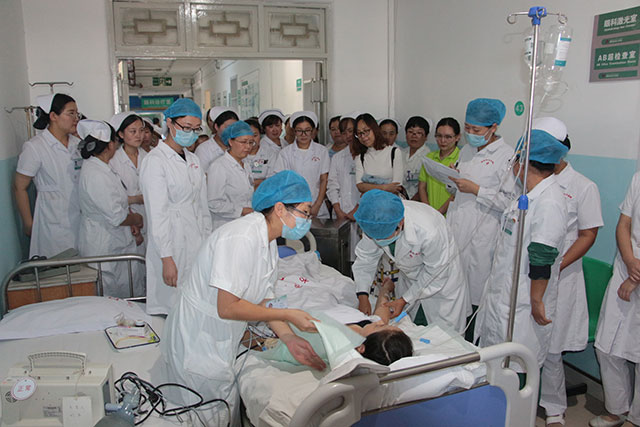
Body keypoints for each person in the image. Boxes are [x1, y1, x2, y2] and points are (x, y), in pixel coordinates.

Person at [162, 170, 326, 426]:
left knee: (221, 411)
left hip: (222, 338)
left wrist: (289, 337)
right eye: (305, 212)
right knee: (201, 416)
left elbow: (266, 300)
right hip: (199, 340)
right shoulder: (240, 238)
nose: (308, 219)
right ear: (280, 209)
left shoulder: (268, 241)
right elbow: (227, 307)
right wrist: (287, 314)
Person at [474, 130, 569, 374]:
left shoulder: (549, 201)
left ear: (522, 163)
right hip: (505, 295)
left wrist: (536, 300)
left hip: (524, 301)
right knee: (497, 363)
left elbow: (542, 255)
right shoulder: (526, 196)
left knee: (517, 369)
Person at [533, 118, 603, 427]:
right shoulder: (529, 181)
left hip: (561, 275)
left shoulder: (583, 187)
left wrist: (555, 265)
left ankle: (554, 408)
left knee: (551, 345)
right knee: (526, 337)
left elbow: (588, 234)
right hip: (532, 272)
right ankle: (521, 394)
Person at [352, 189, 470, 332]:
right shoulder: (374, 221)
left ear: (401, 222)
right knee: (410, 329)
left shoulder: (428, 230)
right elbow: (366, 258)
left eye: (385, 237)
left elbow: (436, 273)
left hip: (441, 286)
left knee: (444, 338)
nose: (379, 241)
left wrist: (404, 300)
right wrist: (363, 295)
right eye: (374, 237)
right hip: (410, 280)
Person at [139, 98, 212, 315]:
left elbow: (202, 207)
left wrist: (208, 244)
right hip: (172, 241)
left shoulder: (193, 160)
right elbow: (157, 214)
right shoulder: (155, 161)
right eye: (186, 127)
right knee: (172, 308)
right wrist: (166, 258)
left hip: (196, 239)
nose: (191, 134)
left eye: (196, 129)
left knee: (195, 304)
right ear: (169, 123)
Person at [446, 98, 517, 317]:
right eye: (467, 127)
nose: (470, 133)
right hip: (457, 224)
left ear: (493, 127)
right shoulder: (467, 150)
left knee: (476, 293)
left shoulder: (507, 156)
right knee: (453, 289)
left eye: (476, 129)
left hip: (483, 234)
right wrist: (452, 178)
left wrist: (477, 190)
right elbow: (458, 189)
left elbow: (510, 202)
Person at [590, 173, 640, 427]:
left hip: (633, 274)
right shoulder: (638, 178)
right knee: (606, 344)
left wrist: (635, 277)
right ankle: (617, 409)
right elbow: (624, 224)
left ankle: (636, 419)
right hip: (626, 265)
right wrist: (630, 262)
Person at [76, 120, 145, 298]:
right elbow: (117, 216)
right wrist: (137, 219)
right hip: (104, 244)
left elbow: (116, 202)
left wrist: (131, 221)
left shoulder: (102, 168)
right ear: (110, 145)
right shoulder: (96, 174)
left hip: (115, 241)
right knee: (112, 295)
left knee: (127, 289)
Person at [14, 93, 83, 258]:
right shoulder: (35, 147)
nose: (76, 119)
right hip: (52, 222)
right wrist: (28, 223)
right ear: (53, 116)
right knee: (56, 267)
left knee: (83, 268)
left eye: (77, 114)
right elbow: (19, 187)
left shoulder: (78, 145)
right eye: (71, 113)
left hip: (81, 219)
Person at [273, 111, 330, 218]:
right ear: (294, 131)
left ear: (313, 131)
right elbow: (281, 181)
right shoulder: (285, 153)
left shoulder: (322, 151)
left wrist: (317, 205)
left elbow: (324, 179)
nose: (303, 135)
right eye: (299, 131)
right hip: (292, 206)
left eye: (307, 130)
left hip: (316, 206)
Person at [108, 112, 147, 252]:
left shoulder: (149, 157)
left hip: (148, 216)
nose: (138, 135)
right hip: (126, 220)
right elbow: (112, 196)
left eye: (141, 130)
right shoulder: (113, 161)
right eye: (133, 131)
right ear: (121, 134)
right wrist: (135, 199)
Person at [207, 121, 255, 230]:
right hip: (225, 225)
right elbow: (213, 202)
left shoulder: (246, 165)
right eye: (243, 142)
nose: (248, 146)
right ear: (230, 141)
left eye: (251, 142)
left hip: (245, 223)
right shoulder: (219, 166)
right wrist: (241, 210)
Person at [327, 116, 361, 260]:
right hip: (341, 213)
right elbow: (332, 185)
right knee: (344, 257)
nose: (348, 135)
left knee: (361, 256)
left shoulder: (365, 155)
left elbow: (367, 187)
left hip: (360, 212)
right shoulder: (337, 157)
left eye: (351, 131)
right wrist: (337, 209)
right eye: (344, 132)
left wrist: (357, 209)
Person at [354, 114, 405, 196]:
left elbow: (396, 187)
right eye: (359, 133)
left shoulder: (394, 152)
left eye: (366, 131)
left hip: (390, 200)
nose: (363, 136)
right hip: (370, 201)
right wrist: (385, 187)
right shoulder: (360, 157)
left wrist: (369, 187)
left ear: (375, 129)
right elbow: (360, 186)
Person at [418, 117, 461, 214]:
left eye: (448, 137)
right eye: (439, 136)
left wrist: (439, 213)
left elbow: (456, 193)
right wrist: (428, 210)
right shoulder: (429, 158)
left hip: (450, 214)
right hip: (429, 212)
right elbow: (422, 187)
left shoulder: (461, 159)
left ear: (457, 137)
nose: (442, 140)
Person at [194, 106, 238, 173]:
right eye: (228, 127)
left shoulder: (238, 146)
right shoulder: (203, 150)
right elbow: (201, 175)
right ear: (216, 126)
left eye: (235, 128)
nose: (231, 131)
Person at [402, 116, 431, 200]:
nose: (414, 136)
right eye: (410, 132)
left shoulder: (428, 156)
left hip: (417, 201)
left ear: (426, 136)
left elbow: (426, 187)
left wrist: (410, 203)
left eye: (419, 133)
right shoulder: (401, 153)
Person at [243, 118, 277, 188]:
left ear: (260, 135)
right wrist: (260, 181)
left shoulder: (270, 153)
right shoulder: (237, 154)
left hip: (264, 191)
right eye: (248, 136)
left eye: (255, 135)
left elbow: (272, 180)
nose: (252, 139)